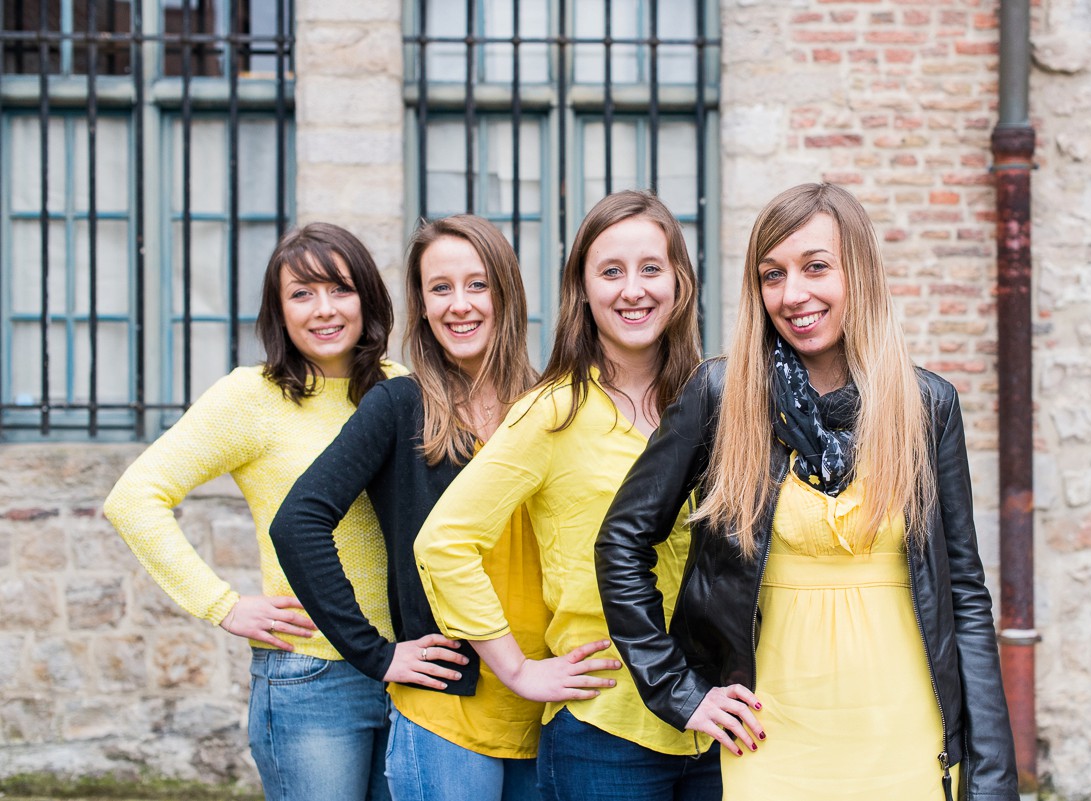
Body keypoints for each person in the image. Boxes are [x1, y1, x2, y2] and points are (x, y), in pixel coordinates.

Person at [594, 183, 1019, 801]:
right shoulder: (722, 395)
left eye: (816, 267)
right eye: (772, 275)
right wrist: (681, 693)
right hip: (770, 740)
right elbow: (620, 544)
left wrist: (993, 776)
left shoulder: (926, 406)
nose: (793, 295)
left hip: (907, 735)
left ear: (860, 273)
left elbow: (966, 596)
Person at [269, 215, 591, 801]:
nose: (459, 305)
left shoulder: (556, 405)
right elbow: (298, 522)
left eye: (477, 284)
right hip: (446, 711)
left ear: (507, 294)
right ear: (420, 306)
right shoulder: (399, 405)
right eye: (439, 288)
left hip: (551, 702)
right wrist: (375, 653)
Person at [413, 190, 717, 801]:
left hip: (712, 724)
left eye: (650, 268)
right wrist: (518, 670)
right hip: (605, 734)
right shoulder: (554, 411)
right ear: (582, 290)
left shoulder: (713, 402)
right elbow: (444, 542)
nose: (633, 289)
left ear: (680, 283)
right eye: (611, 271)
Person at [104, 223, 403, 801]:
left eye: (340, 289)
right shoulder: (252, 396)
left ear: (368, 297)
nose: (324, 310)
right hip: (310, 679)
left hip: (410, 671)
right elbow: (135, 497)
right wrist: (223, 605)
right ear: (278, 311)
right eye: (301, 294)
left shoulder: (405, 388)